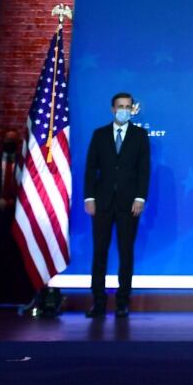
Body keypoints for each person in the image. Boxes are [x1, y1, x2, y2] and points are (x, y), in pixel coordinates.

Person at [83, 92, 151, 318]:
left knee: (125, 253)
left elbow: (144, 169)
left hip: (128, 204)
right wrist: (89, 198)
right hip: (102, 203)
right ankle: (98, 301)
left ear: (132, 109)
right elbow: (91, 168)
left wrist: (140, 198)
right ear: (112, 109)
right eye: (120, 106)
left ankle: (123, 302)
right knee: (99, 252)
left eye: (128, 106)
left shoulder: (140, 135)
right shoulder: (99, 134)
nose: (124, 109)